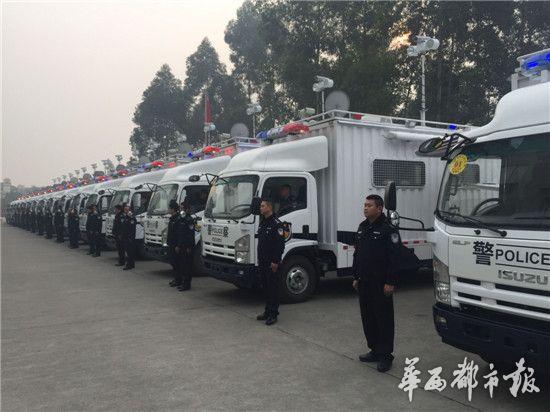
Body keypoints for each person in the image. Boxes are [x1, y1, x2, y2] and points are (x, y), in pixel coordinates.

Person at [352, 194, 401, 373]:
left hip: (381, 283)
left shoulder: (388, 229)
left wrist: (390, 282)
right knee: (368, 317)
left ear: (379, 208)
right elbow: (357, 255)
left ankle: (386, 355)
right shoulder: (362, 227)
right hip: (364, 282)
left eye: (369, 205)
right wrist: (355, 277)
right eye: (364, 205)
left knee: (384, 319)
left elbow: (394, 258)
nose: (365, 208)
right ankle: (374, 349)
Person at [256, 199, 286, 326]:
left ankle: (273, 314)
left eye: (262, 206)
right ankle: (267, 311)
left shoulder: (277, 224)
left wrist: (275, 261)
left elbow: (280, 245)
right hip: (262, 261)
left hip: (271, 262)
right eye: (260, 206)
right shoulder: (263, 223)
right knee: (266, 287)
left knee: (273, 288)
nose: (260, 208)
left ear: (269, 207)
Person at [173, 200, 196, 291]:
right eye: (180, 208)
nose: (181, 210)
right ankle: (183, 282)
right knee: (182, 265)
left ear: (187, 209)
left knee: (187, 266)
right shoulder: (181, 219)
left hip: (187, 247)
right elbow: (179, 234)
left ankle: (187, 284)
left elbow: (190, 235)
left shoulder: (189, 220)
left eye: (182, 208)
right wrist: (178, 245)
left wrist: (189, 247)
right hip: (181, 246)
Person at [120, 204, 137, 270]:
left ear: (129, 210)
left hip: (129, 237)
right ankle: (131, 264)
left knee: (130, 252)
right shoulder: (126, 217)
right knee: (128, 251)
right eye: (124, 209)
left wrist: (130, 238)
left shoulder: (131, 217)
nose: (125, 211)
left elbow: (132, 229)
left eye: (127, 209)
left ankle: (129, 265)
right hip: (125, 237)